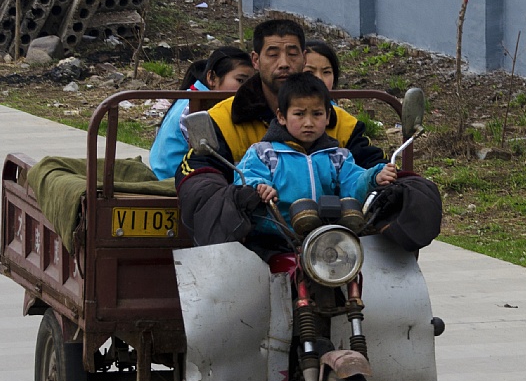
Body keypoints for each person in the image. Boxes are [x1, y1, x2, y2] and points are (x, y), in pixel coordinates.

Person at [177, 19, 386, 245]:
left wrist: (380, 176)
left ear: (304, 58)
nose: (284, 63)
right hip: (260, 239)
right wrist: (245, 195)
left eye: (292, 54)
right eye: (273, 54)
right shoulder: (224, 118)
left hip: (333, 241)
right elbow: (198, 170)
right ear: (255, 60)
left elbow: (365, 169)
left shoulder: (339, 121)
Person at [237, 73, 397, 238]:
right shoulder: (264, 153)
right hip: (276, 237)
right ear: (281, 117)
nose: (308, 123)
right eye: (299, 114)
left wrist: (374, 177)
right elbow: (244, 177)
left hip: (328, 237)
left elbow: (354, 183)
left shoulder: (338, 157)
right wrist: (260, 186)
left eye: (317, 114)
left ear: (328, 116)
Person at [149, 47, 253, 179]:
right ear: (212, 78)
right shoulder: (199, 109)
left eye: (252, 82)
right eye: (240, 81)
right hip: (175, 181)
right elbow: (215, 158)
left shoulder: (192, 97)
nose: (248, 88)